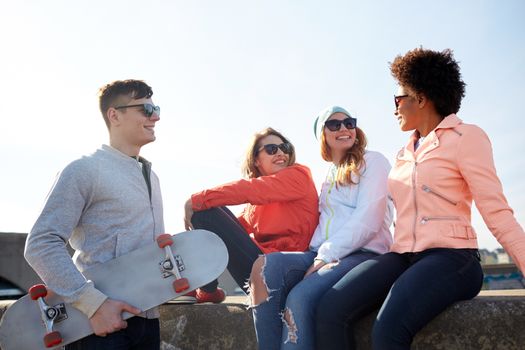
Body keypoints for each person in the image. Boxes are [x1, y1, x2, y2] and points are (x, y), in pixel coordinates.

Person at [315, 48, 525, 349]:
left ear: (422, 98)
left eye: (398, 99)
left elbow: (498, 212)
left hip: (452, 257)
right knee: (330, 309)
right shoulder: (404, 153)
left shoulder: (467, 137)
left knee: (386, 330)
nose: (394, 108)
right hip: (403, 256)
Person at [24, 79, 163, 350]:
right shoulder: (84, 170)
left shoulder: (152, 177)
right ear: (115, 115)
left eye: (156, 108)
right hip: (97, 326)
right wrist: (94, 305)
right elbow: (41, 244)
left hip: (147, 320)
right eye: (146, 109)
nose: (155, 116)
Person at [249, 106, 393, 350]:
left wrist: (325, 256)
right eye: (334, 125)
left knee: (299, 297)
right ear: (322, 136)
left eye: (349, 122)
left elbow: (369, 219)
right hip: (320, 253)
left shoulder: (373, 161)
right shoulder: (329, 175)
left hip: (360, 253)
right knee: (264, 268)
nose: (344, 128)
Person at [183, 127, 319, 303]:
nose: (280, 153)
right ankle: (205, 287)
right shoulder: (255, 205)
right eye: (271, 149)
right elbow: (227, 230)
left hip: (286, 272)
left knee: (205, 208)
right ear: (256, 160)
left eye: (284, 147)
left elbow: (251, 189)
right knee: (208, 215)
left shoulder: (299, 176)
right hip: (257, 267)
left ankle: (207, 289)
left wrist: (197, 200)